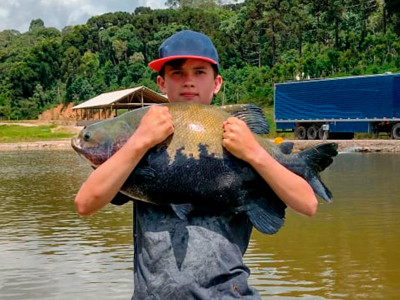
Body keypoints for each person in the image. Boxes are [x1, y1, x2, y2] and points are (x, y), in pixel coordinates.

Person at [74, 30, 318, 299]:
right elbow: (85, 204)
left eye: (199, 72)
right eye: (177, 73)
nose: (188, 82)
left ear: (217, 83)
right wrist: (139, 142)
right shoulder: (140, 139)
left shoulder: (240, 138)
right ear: (161, 83)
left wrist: (254, 153)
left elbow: (307, 204)